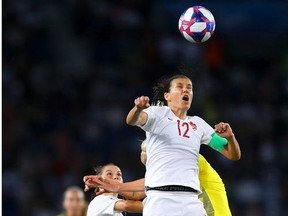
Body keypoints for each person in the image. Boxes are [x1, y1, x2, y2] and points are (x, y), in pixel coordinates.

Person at [85, 74, 240, 216]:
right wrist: (138, 108)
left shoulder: (198, 124)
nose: (185, 90)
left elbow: (233, 155)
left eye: (189, 88)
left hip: (191, 200)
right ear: (167, 96)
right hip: (160, 199)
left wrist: (231, 138)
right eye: (179, 87)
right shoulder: (157, 114)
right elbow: (132, 120)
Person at [84, 139, 232, 216]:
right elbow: (137, 195)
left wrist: (117, 187)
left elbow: (137, 195)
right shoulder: (101, 202)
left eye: (119, 175)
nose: (115, 178)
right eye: (109, 175)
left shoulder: (183, 158)